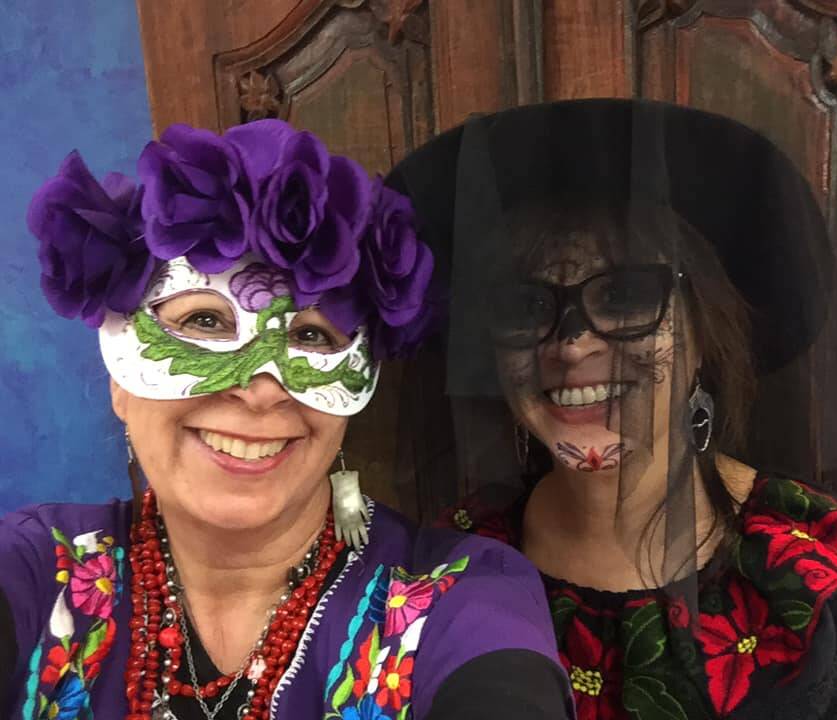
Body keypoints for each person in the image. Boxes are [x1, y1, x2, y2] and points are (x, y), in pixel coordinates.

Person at [384, 99, 837, 719]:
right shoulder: (438, 575)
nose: (573, 344)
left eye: (626, 296)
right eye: (526, 307)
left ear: (704, 328)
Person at [0, 120, 573, 720]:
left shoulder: (462, 597)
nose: (260, 392)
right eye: (203, 322)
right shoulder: (39, 568)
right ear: (119, 380)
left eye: (310, 335)